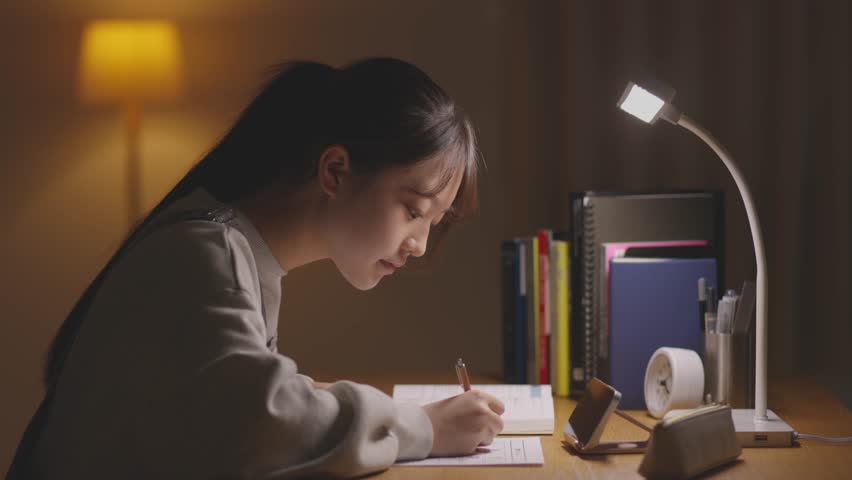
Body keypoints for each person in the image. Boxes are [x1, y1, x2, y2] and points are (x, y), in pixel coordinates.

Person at [8, 58, 504, 479]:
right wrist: (425, 428)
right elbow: (260, 425)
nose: (419, 245)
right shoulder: (203, 252)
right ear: (335, 171)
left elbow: (228, 405)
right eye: (415, 210)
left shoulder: (232, 251)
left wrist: (312, 396)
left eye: (433, 223)